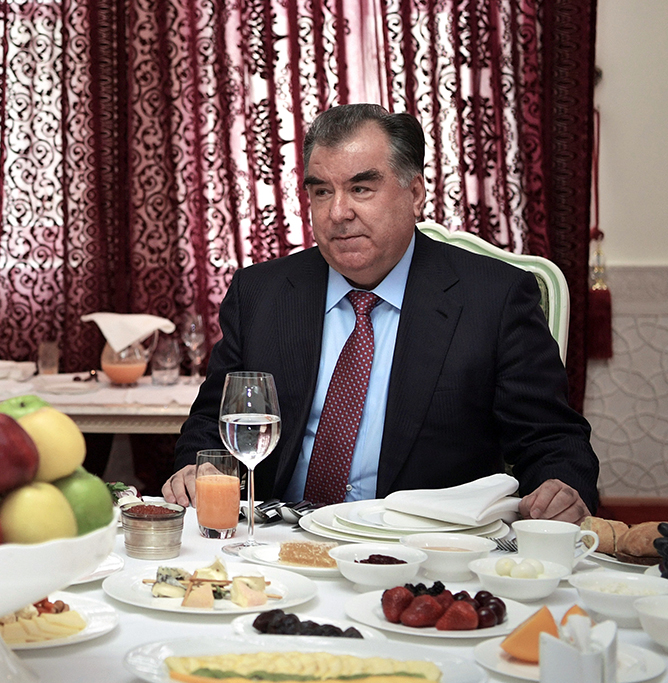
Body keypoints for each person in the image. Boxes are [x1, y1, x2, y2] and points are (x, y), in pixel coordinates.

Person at [164, 104, 598, 524]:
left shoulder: (493, 298)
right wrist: (195, 470)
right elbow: (212, 425)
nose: (338, 213)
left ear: (415, 194)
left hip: (424, 551)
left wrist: (560, 489)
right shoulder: (260, 293)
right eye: (321, 191)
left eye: (361, 189)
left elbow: (550, 439)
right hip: (278, 545)